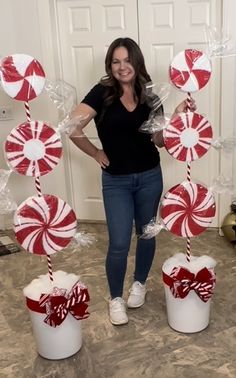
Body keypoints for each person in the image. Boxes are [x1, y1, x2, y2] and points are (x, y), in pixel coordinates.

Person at [69, 37, 195, 325]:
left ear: (137, 61)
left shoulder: (151, 94)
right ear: (109, 65)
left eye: (127, 60)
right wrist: (95, 152)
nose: (122, 66)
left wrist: (175, 117)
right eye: (116, 61)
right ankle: (115, 298)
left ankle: (139, 283)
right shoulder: (102, 93)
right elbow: (72, 126)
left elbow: (160, 141)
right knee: (118, 242)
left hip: (150, 176)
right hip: (116, 182)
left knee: (147, 233)